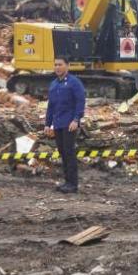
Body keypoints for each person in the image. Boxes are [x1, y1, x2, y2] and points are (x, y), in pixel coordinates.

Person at [44, 57, 86, 194]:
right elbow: (51, 106)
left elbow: (80, 101)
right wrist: (47, 124)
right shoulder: (54, 84)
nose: (57, 67)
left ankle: (72, 184)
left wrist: (76, 119)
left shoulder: (74, 82)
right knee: (62, 152)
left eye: (60, 65)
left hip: (69, 124)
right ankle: (67, 182)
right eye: (55, 65)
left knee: (69, 153)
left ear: (67, 66)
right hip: (58, 124)